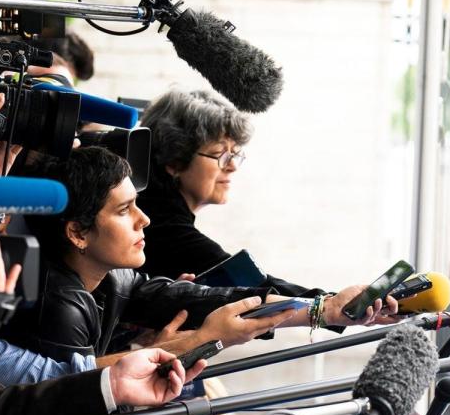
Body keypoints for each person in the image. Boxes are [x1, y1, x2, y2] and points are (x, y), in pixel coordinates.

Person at [6, 146, 400, 367]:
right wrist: (201, 340)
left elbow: (210, 298)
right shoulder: (59, 304)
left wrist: (325, 308)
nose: (144, 220)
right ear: (77, 233)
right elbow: (79, 393)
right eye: (124, 211)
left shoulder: (114, 279)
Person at [136, 89, 365, 309]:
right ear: (174, 160)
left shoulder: (159, 207)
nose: (232, 166)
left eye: (234, 153)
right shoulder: (159, 220)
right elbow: (245, 281)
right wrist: (331, 305)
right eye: (219, 154)